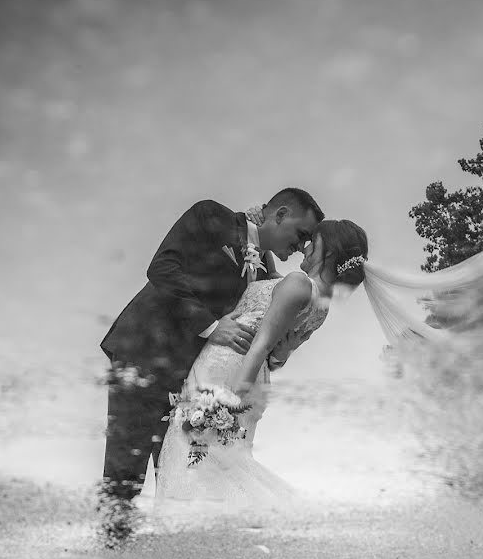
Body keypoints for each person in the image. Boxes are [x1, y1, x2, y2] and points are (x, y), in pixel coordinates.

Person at [98, 188, 323, 533]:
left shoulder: (265, 273)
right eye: (301, 234)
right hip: (141, 358)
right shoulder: (210, 217)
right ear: (279, 214)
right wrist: (211, 326)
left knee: (180, 476)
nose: (300, 247)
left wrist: (285, 349)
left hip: (189, 383)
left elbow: (257, 336)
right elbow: (162, 269)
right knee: (123, 476)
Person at [154, 219, 369, 510]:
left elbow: (262, 345)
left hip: (231, 367)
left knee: (193, 451)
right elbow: (277, 358)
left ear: (329, 252)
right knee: (215, 461)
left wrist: (231, 398)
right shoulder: (321, 306)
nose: (304, 248)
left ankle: (191, 527)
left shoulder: (297, 283)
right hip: (255, 377)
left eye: (313, 241)